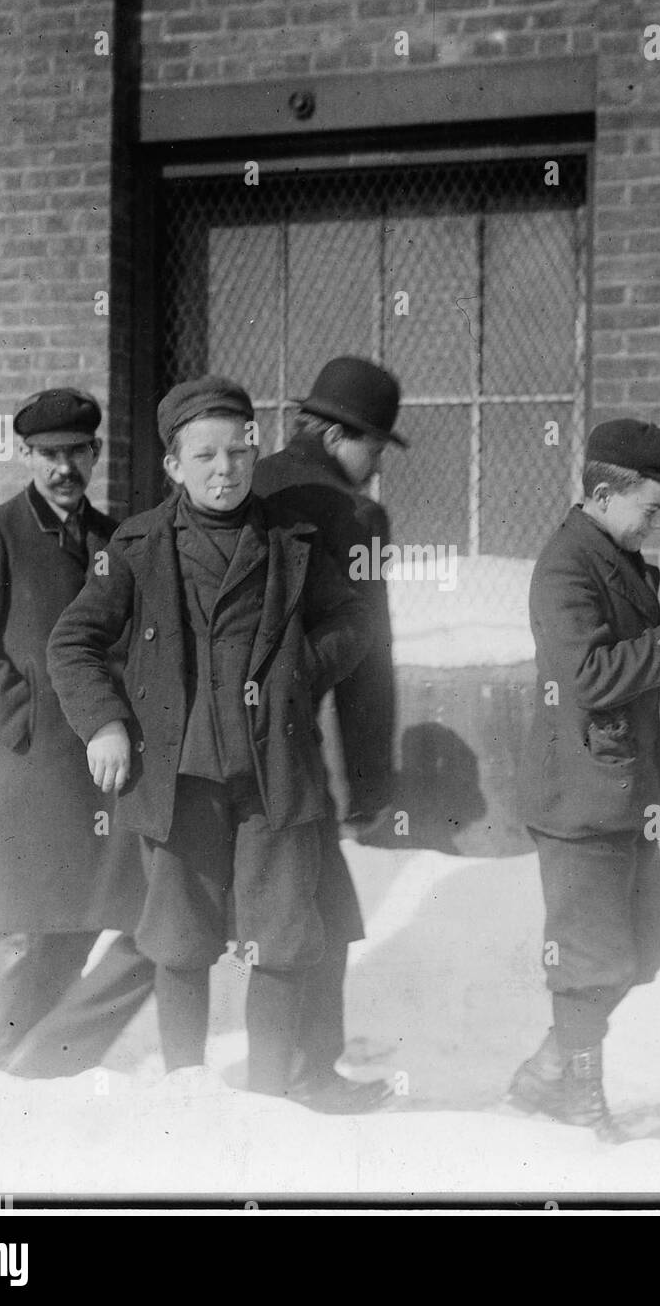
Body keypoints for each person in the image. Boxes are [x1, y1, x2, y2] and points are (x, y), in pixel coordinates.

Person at [43, 378, 371, 1097]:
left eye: (238, 450)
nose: (225, 469)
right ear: (173, 467)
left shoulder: (294, 542)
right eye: (205, 456)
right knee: (178, 938)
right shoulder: (135, 547)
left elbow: (351, 623)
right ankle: (186, 1096)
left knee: (284, 937)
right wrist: (104, 724)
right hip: (180, 781)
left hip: (274, 777)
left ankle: (267, 1095)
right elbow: (72, 644)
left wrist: (297, 671)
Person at [510, 418, 660, 1136]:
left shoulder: (617, 556)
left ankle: (549, 1065)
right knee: (591, 958)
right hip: (580, 792)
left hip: (625, 786)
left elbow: (632, 662)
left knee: (646, 945)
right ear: (606, 494)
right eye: (654, 509)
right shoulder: (566, 566)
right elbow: (588, 677)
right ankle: (578, 1094)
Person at [0, 388, 145, 1070]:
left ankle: (42, 1072)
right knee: (19, 932)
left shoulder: (115, 541)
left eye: (77, 453)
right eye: (49, 455)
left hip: (95, 772)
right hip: (23, 771)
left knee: (79, 922)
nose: (64, 469)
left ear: (95, 454)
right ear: (26, 455)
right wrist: (19, 714)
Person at [252, 355, 405, 1113]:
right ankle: (303, 1076)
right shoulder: (355, 515)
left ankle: (43, 1053)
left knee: (171, 929)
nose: (376, 467)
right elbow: (366, 668)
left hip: (211, 742)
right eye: (375, 448)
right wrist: (371, 785)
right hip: (290, 755)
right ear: (341, 435)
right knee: (323, 916)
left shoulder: (248, 482)